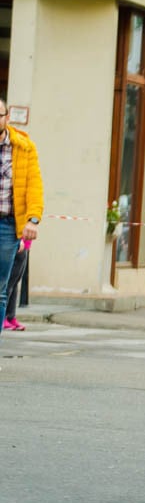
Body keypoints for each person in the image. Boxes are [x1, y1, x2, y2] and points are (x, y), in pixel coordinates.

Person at [0, 97, 43, 345]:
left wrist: (32, 220)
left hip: (7, 226)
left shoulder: (24, 148)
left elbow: (34, 187)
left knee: (0, 290)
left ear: (6, 118)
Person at [3, 238, 30, 330]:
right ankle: (3, 318)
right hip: (18, 243)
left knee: (14, 283)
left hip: (25, 244)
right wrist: (19, 240)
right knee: (8, 284)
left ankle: (11, 317)